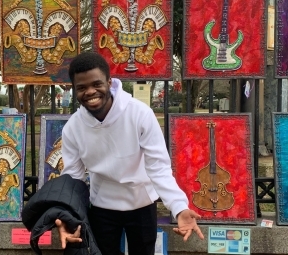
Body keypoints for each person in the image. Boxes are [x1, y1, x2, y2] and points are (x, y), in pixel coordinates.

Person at [55, 52, 204, 255]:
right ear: (74, 90)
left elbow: (158, 167)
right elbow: (73, 178)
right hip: (102, 205)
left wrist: (178, 206)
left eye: (96, 84)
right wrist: (68, 218)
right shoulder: (73, 127)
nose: (90, 92)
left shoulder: (139, 114)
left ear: (109, 81)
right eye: (81, 87)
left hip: (141, 202)